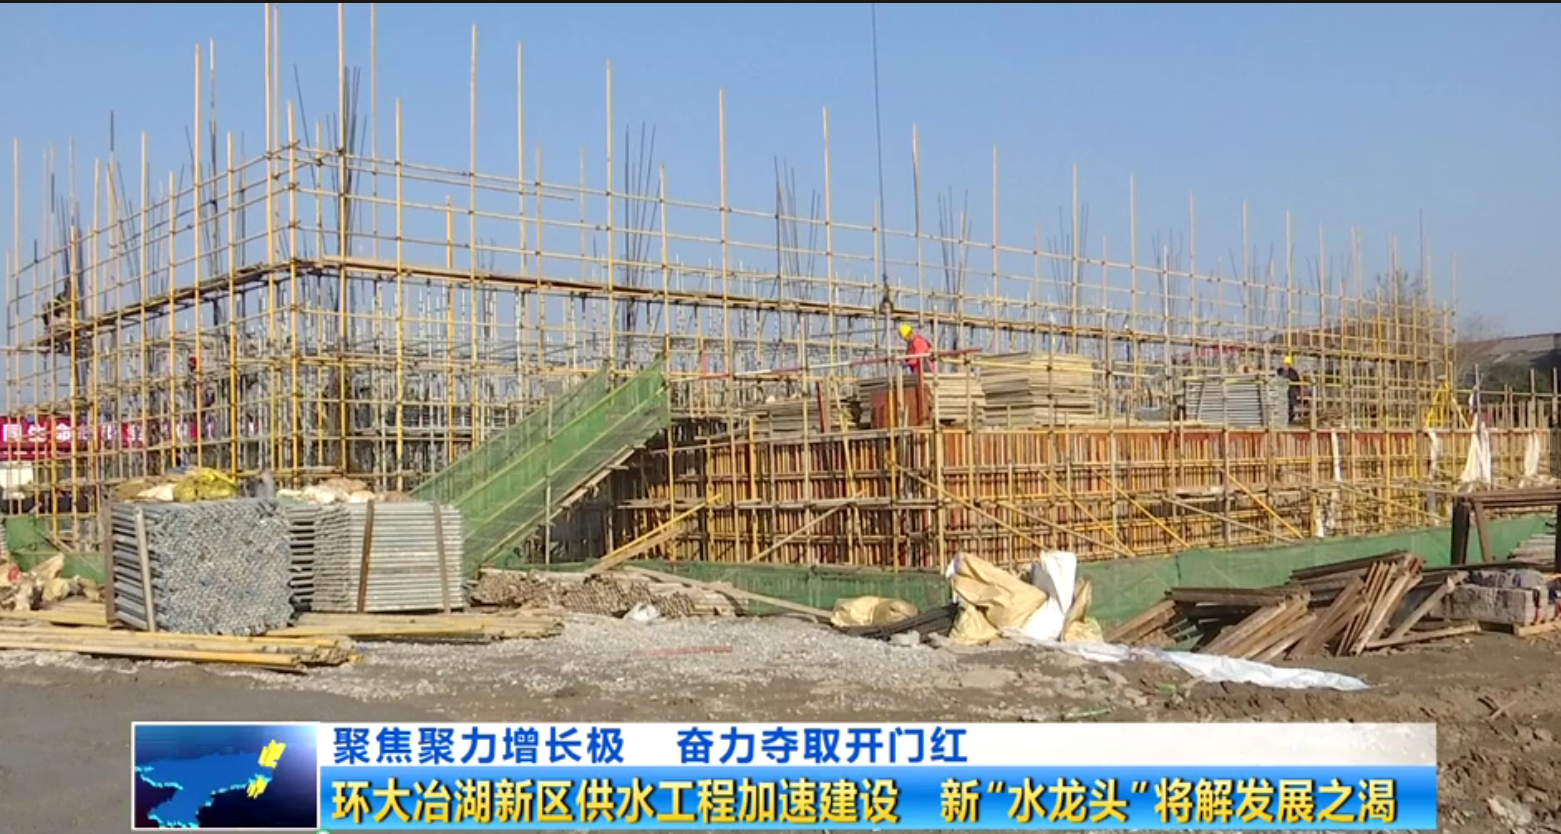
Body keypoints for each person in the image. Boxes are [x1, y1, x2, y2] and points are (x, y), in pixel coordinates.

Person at [1276, 355, 1302, 423]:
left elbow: (1297, 381)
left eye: (1287, 364)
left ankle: (1290, 417)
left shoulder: (1293, 372)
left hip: (1291, 390)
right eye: (1285, 364)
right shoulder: (1280, 371)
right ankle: (1283, 417)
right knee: (1282, 404)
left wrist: (1298, 391)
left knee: (1291, 404)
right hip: (1282, 390)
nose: (1285, 365)